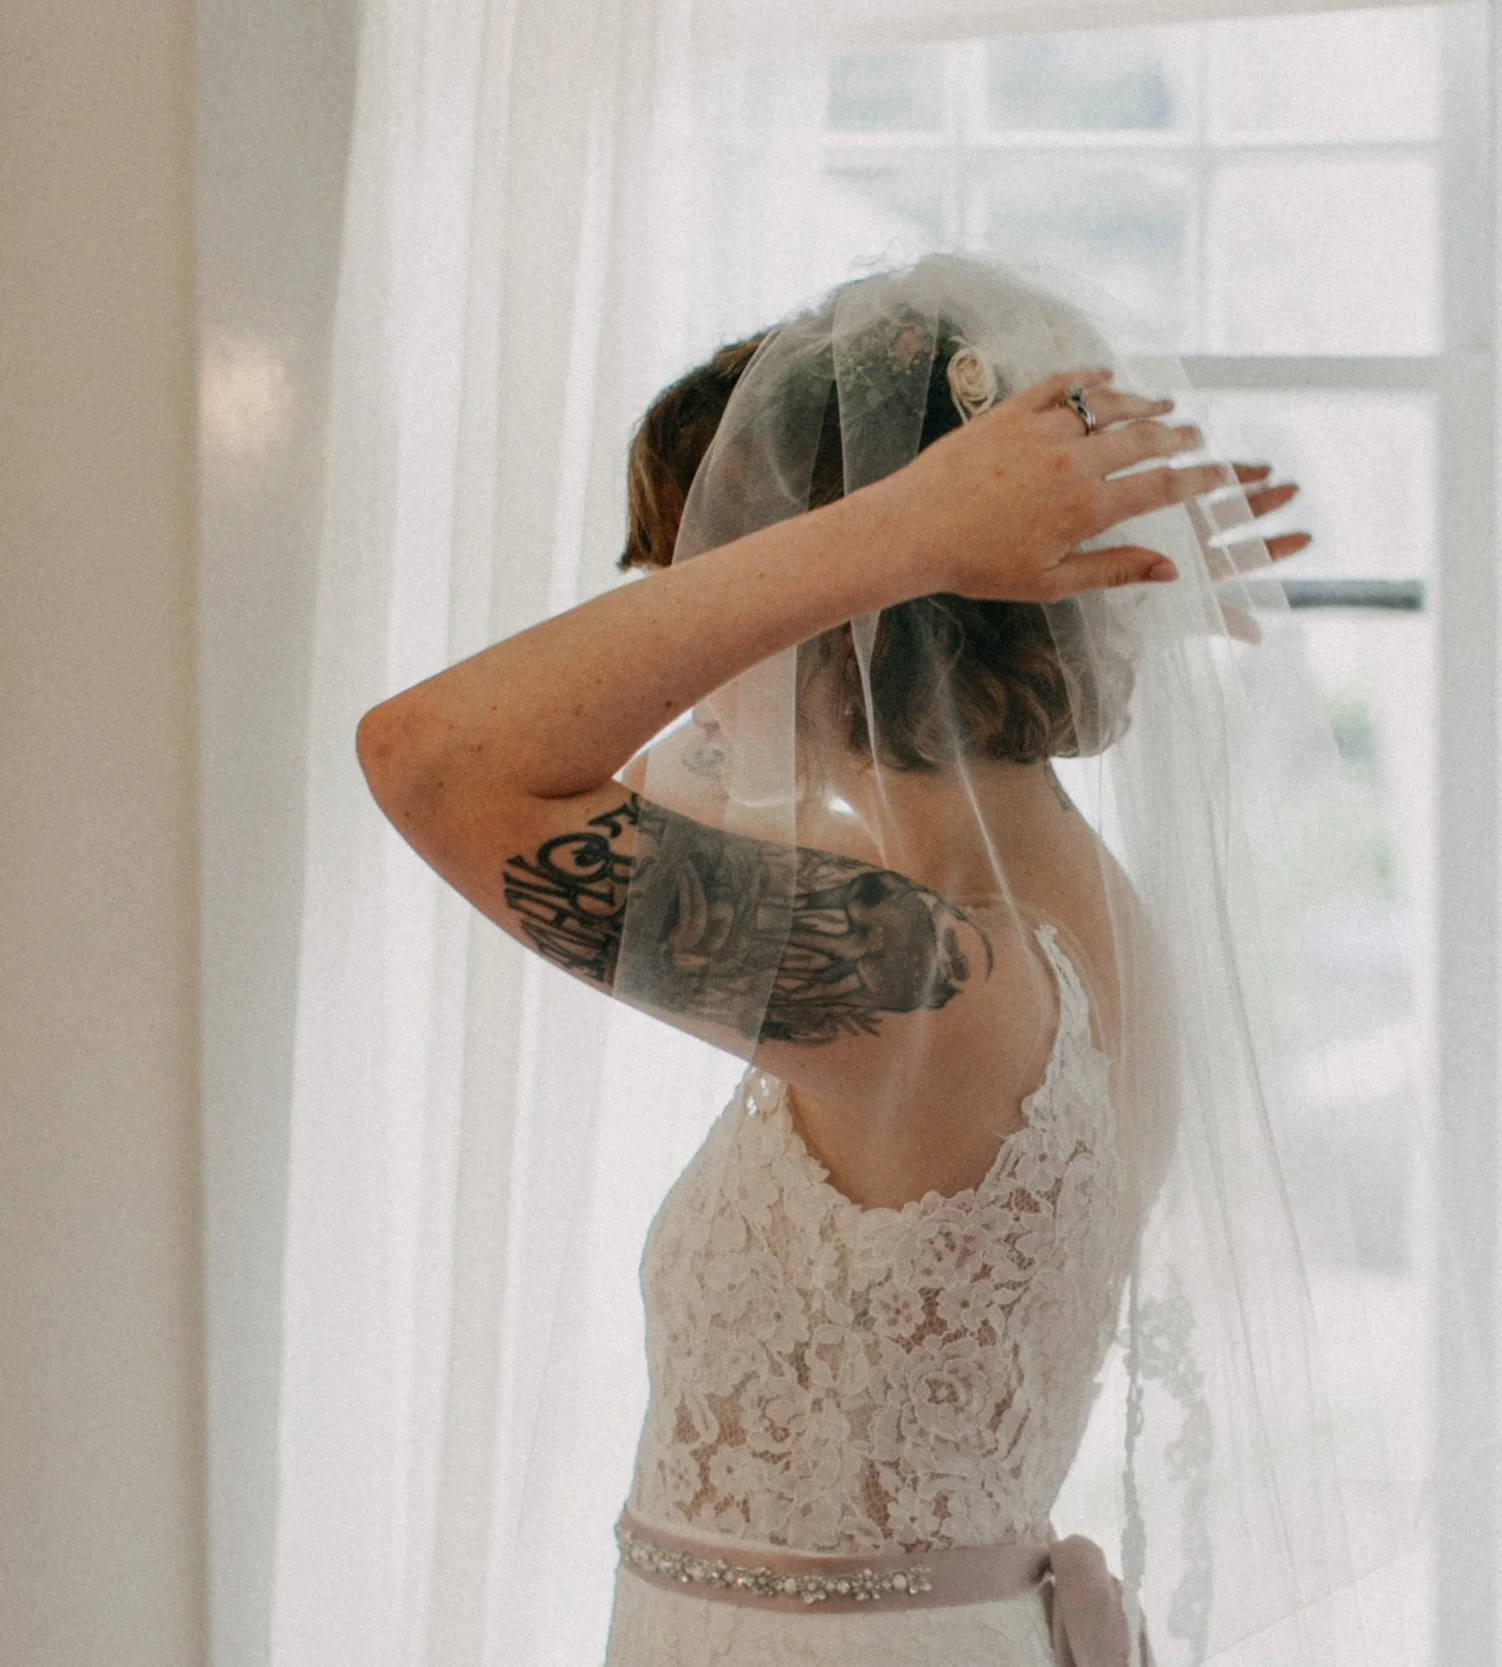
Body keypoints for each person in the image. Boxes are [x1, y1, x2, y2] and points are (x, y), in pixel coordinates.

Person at [353, 255, 1356, 1667]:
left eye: (699, 577)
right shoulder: (1061, 918)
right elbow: (647, 768)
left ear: (846, 596)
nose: (685, 635)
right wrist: (932, 548)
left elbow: (433, 759)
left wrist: (910, 528)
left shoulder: (950, 985)